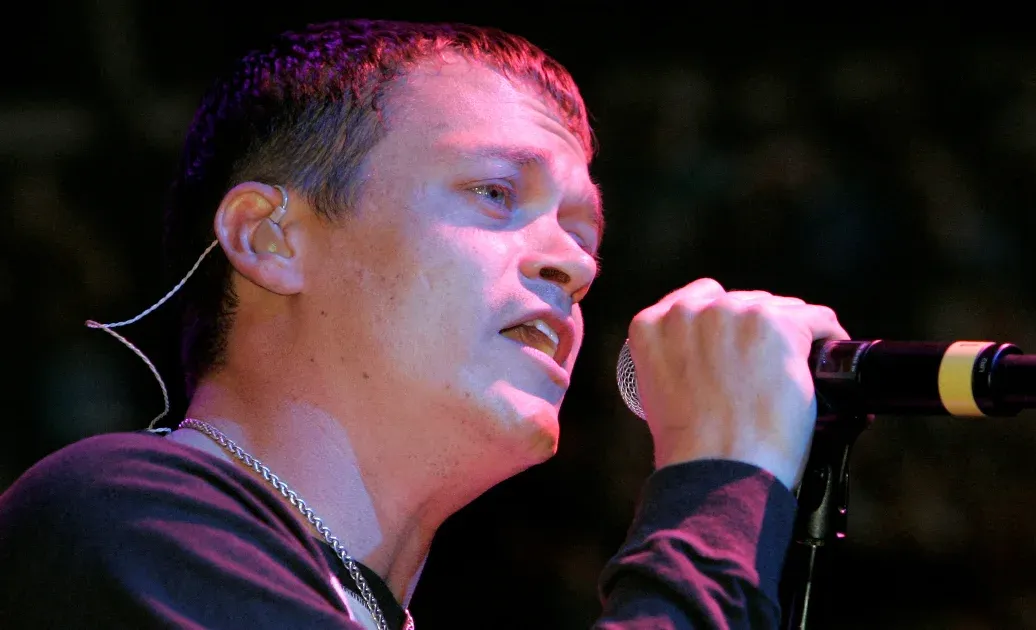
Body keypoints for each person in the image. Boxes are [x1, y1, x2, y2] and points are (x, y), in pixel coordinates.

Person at [0, 19, 848, 629]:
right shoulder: (112, 518)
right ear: (269, 238)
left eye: (583, 234)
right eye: (495, 193)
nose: (575, 265)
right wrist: (715, 483)